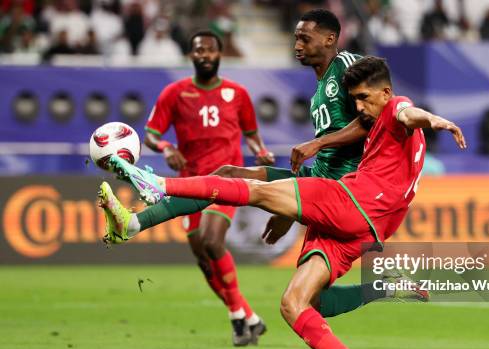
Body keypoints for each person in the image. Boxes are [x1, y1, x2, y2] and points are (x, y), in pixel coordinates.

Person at [100, 56, 467, 349]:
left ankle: (158, 186)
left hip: (352, 201)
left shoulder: (394, 107)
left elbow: (408, 112)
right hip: (367, 227)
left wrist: (436, 119)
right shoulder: (373, 123)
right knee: (297, 304)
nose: (359, 107)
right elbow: (380, 123)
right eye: (354, 100)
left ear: (384, 93)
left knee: (255, 191)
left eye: (364, 99)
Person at [101, 10, 426, 321]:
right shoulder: (318, 92)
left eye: (305, 38)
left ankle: (148, 198)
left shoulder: (348, 67)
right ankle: (133, 224)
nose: (297, 45)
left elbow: (377, 118)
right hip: (318, 183)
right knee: (311, 302)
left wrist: (317, 144)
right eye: (296, 38)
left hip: (345, 193)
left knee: (244, 193)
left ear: (329, 39)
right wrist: (290, 211)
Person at [104, 30, 274, 347]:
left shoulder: (237, 94)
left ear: (220, 55)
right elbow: (152, 133)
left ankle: (237, 318)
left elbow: (251, 133)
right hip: (189, 182)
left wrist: (261, 150)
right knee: (203, 257)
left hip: (226, 179)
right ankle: (248, 316)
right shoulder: (175, 93)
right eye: (198, 50)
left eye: (210, 50)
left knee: (212, 240)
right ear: (190, 55)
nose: (204, 55)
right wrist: (167, 148)